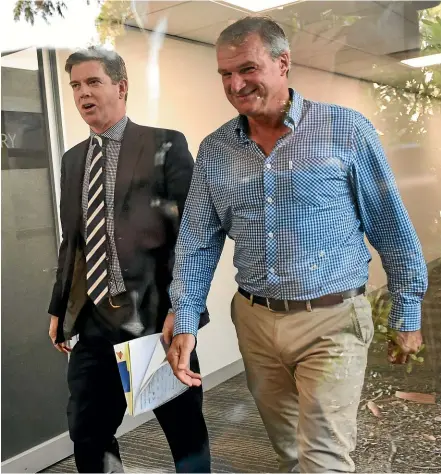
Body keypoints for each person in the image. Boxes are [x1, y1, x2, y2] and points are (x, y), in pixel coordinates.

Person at [166, 16, 428, 473]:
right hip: (254, 322)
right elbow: (197, 240)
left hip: (331, 321)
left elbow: (391, 227)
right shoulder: (215, 150)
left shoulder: (344, 130)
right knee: (288, 452)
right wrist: (186, 317)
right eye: (225, 74)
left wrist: (406, 313)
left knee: (323, 460)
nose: (235, 83)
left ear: (282, 62)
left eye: (247, 68)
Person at [48, 46, 210, 473]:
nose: (83, 93)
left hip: (155, 319)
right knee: (87, 432)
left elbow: (193, 234)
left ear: (120, 87)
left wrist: (184, 309)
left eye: (93, 82)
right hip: (93, 321)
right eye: (76, 86)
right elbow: (74, 242)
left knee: (183, 432)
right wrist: (59, 307)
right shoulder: (72, 161)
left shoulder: (163, 144)